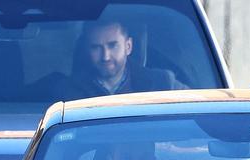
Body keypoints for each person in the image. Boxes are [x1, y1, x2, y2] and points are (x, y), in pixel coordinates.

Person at [56, 19, 187, 100]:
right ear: (86, 50)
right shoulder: (66, 91)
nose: (105, 56)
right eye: (96, 47)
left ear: (128, 46)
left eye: (113, 45)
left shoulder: (162, 83)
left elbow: (199, 107)